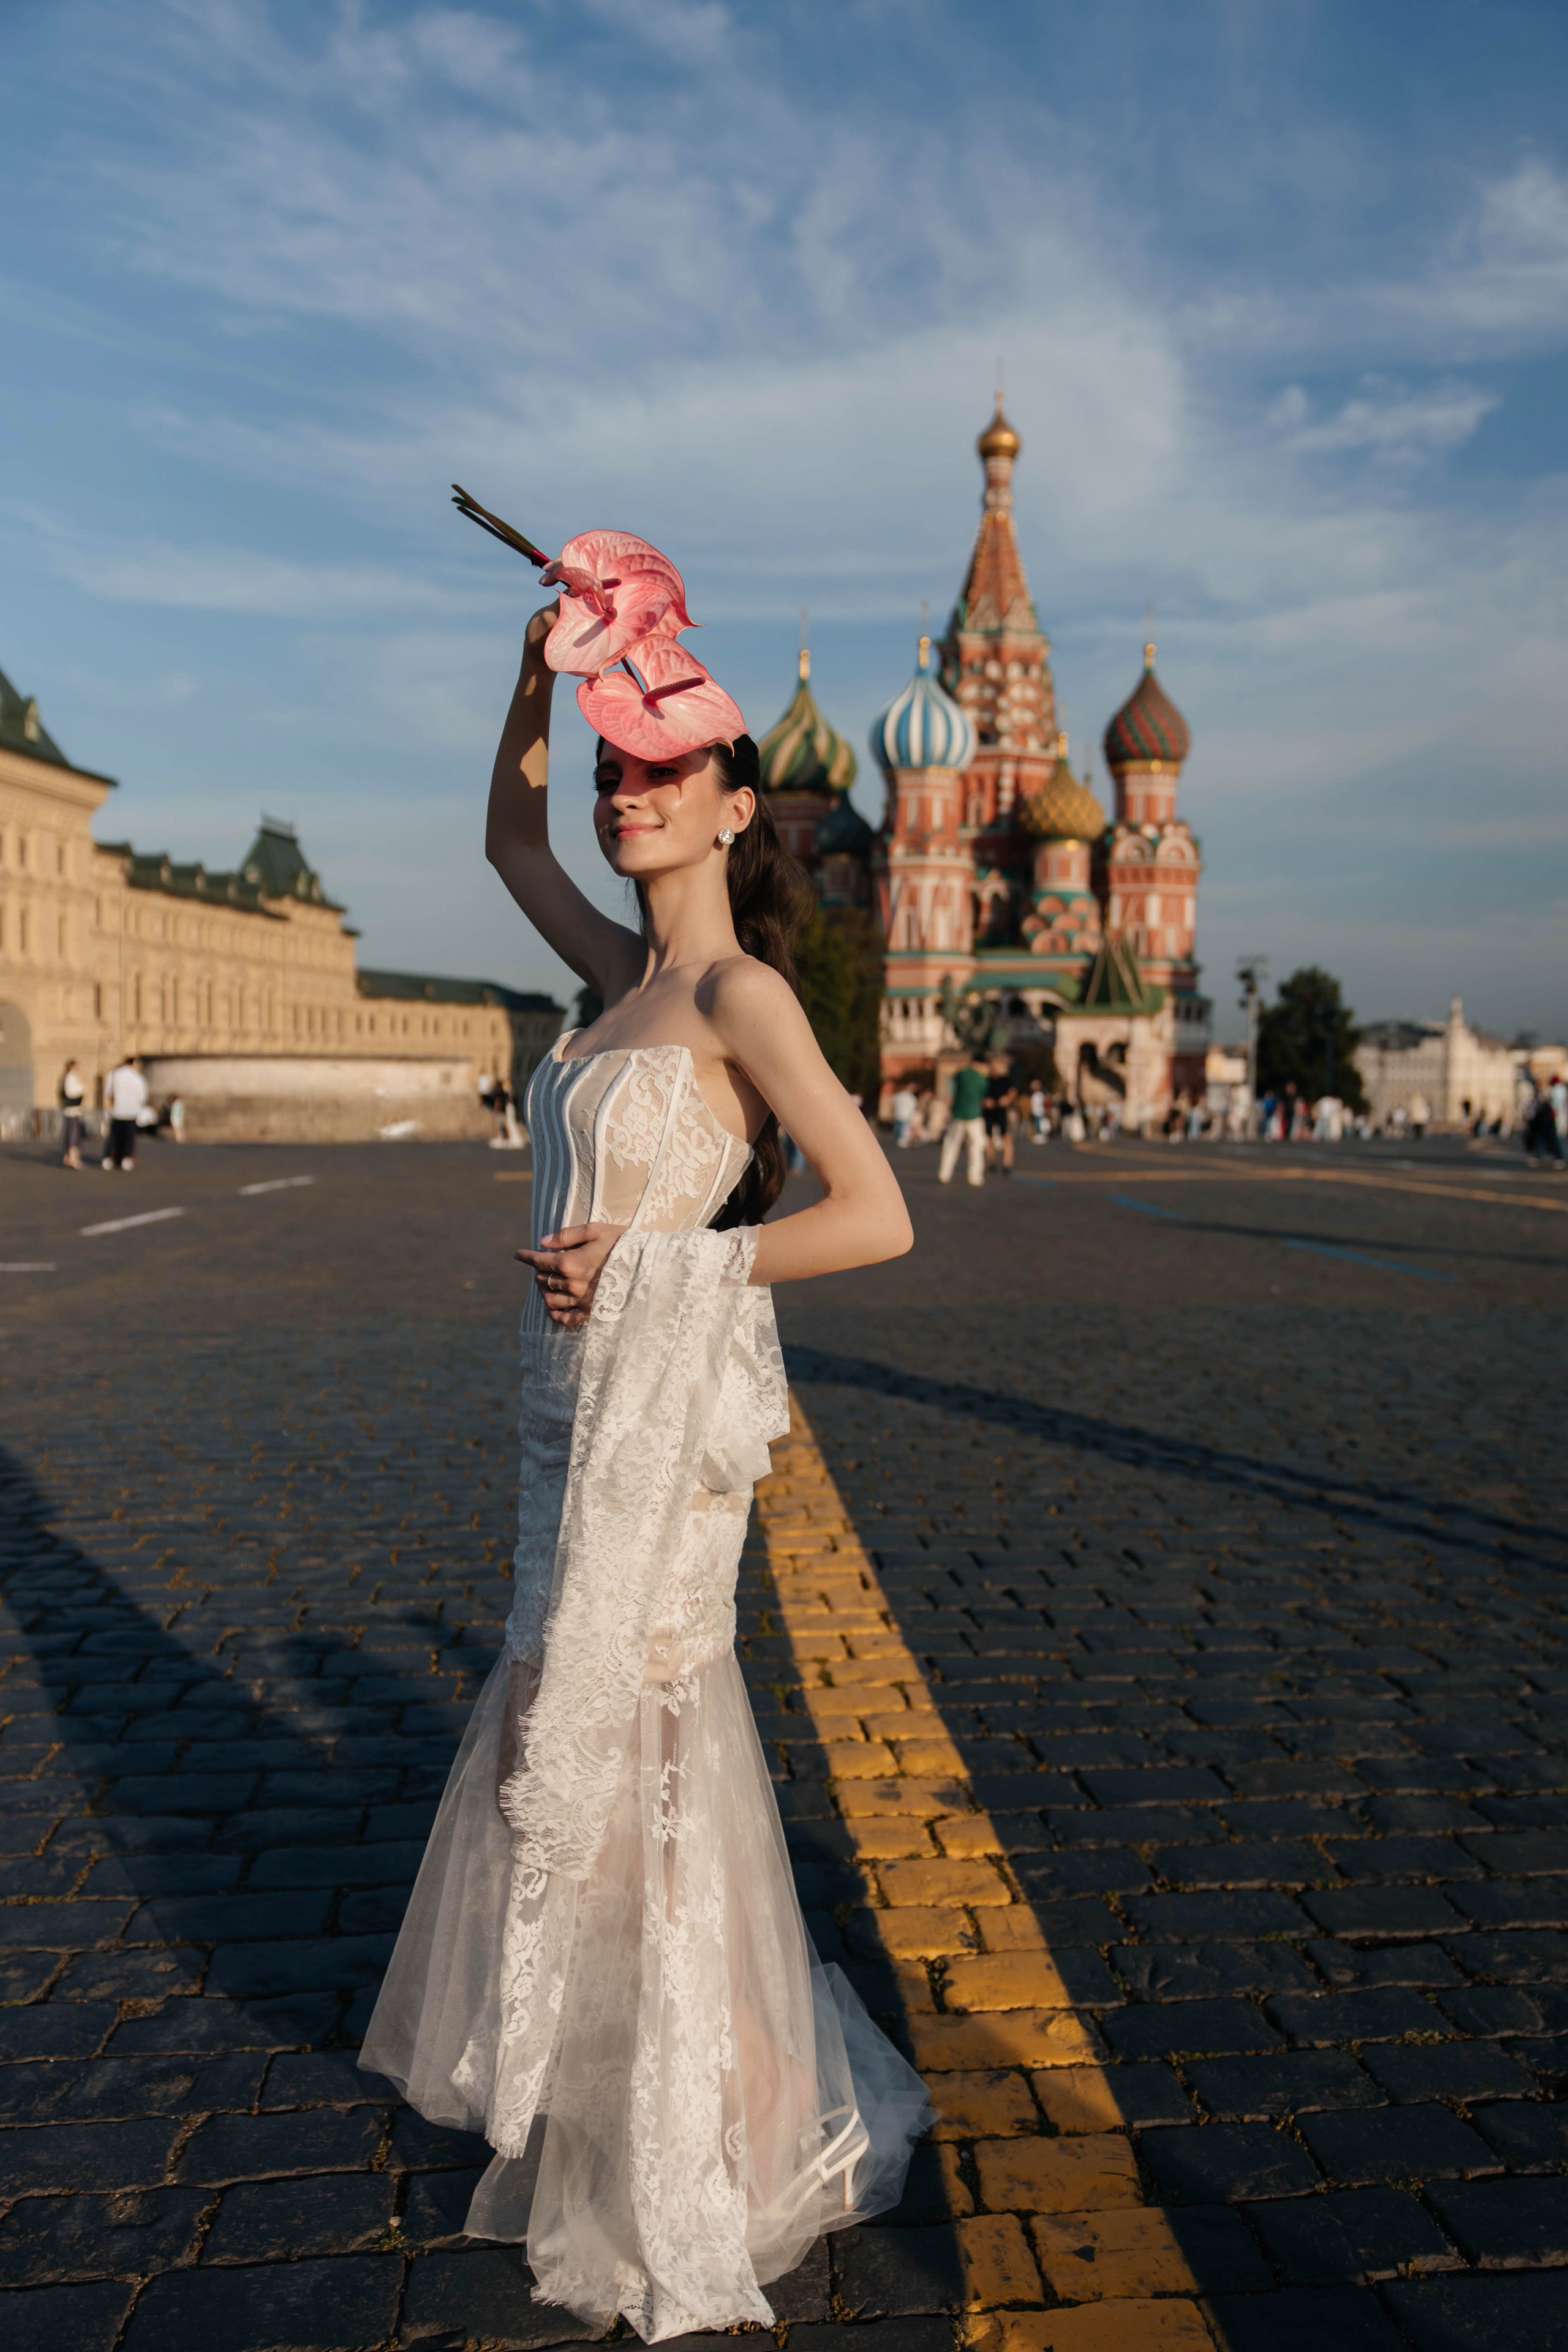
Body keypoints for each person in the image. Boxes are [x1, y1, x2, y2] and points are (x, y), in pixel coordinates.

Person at [361, 576, 930, 2343]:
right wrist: (531, 674)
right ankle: (674, 2094)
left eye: (661, 770)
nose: (625, 795)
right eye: (615, 770)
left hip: (659, 1430)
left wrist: (663, 1263)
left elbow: (879, 1214)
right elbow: (504, 837)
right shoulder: (617, 977)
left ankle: (738, 2121)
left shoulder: (742, 995)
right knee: (574, 1772)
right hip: (565, 1421)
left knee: (629, 1771)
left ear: (736, 802)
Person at [937, 1050, 989, 1186]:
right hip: (974, 1116)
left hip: (958, 1114)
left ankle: (944, 1173)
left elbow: (951, 1091)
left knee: (951, 1145)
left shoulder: (961, 1074)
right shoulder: (982, 1079)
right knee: (976, 1147)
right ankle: (975, 1176)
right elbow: (983, 1097)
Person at [102, 1055, 147, 1170]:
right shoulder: (138, 1078)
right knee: (129, 1137)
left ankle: (109, 1158)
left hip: (117, 1110)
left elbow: (108, 1093)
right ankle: (126, 1159)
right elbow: (142, 1097)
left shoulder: (114, 1075)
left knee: (114, 1137)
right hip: (132, 1112)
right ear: (134, 1063)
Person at [982, 1057, 1016, 1175]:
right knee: (989, 1138)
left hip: (1001, 1112)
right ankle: (991, 1162)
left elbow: (1012, 1092)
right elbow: (980, 1095)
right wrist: (985, 1102)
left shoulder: (1005, 1080)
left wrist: (1007, 1099)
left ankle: (1007, 1163)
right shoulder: (986, 1081)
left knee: (1005, 1137)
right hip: (989, 1112)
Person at [58, 1060, 86, 1170]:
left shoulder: (67, 1077)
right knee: (73, 1135)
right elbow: (70, 1092)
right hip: (72, 1110)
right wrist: (82, 1089)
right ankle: (73, 1158)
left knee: (70, 1134)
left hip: (71, 1110)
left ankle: (68, 1157)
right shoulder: (70, 1077)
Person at [889, 1082, 918, 1147]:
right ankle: (901, 1140)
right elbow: (914, 1106)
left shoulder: (898, 1095)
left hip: (898, 1113)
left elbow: (893, 1103)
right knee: (903, 1128)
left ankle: (898, 1139)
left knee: (898, 1127)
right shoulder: (911, 1097)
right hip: (906, 1115)